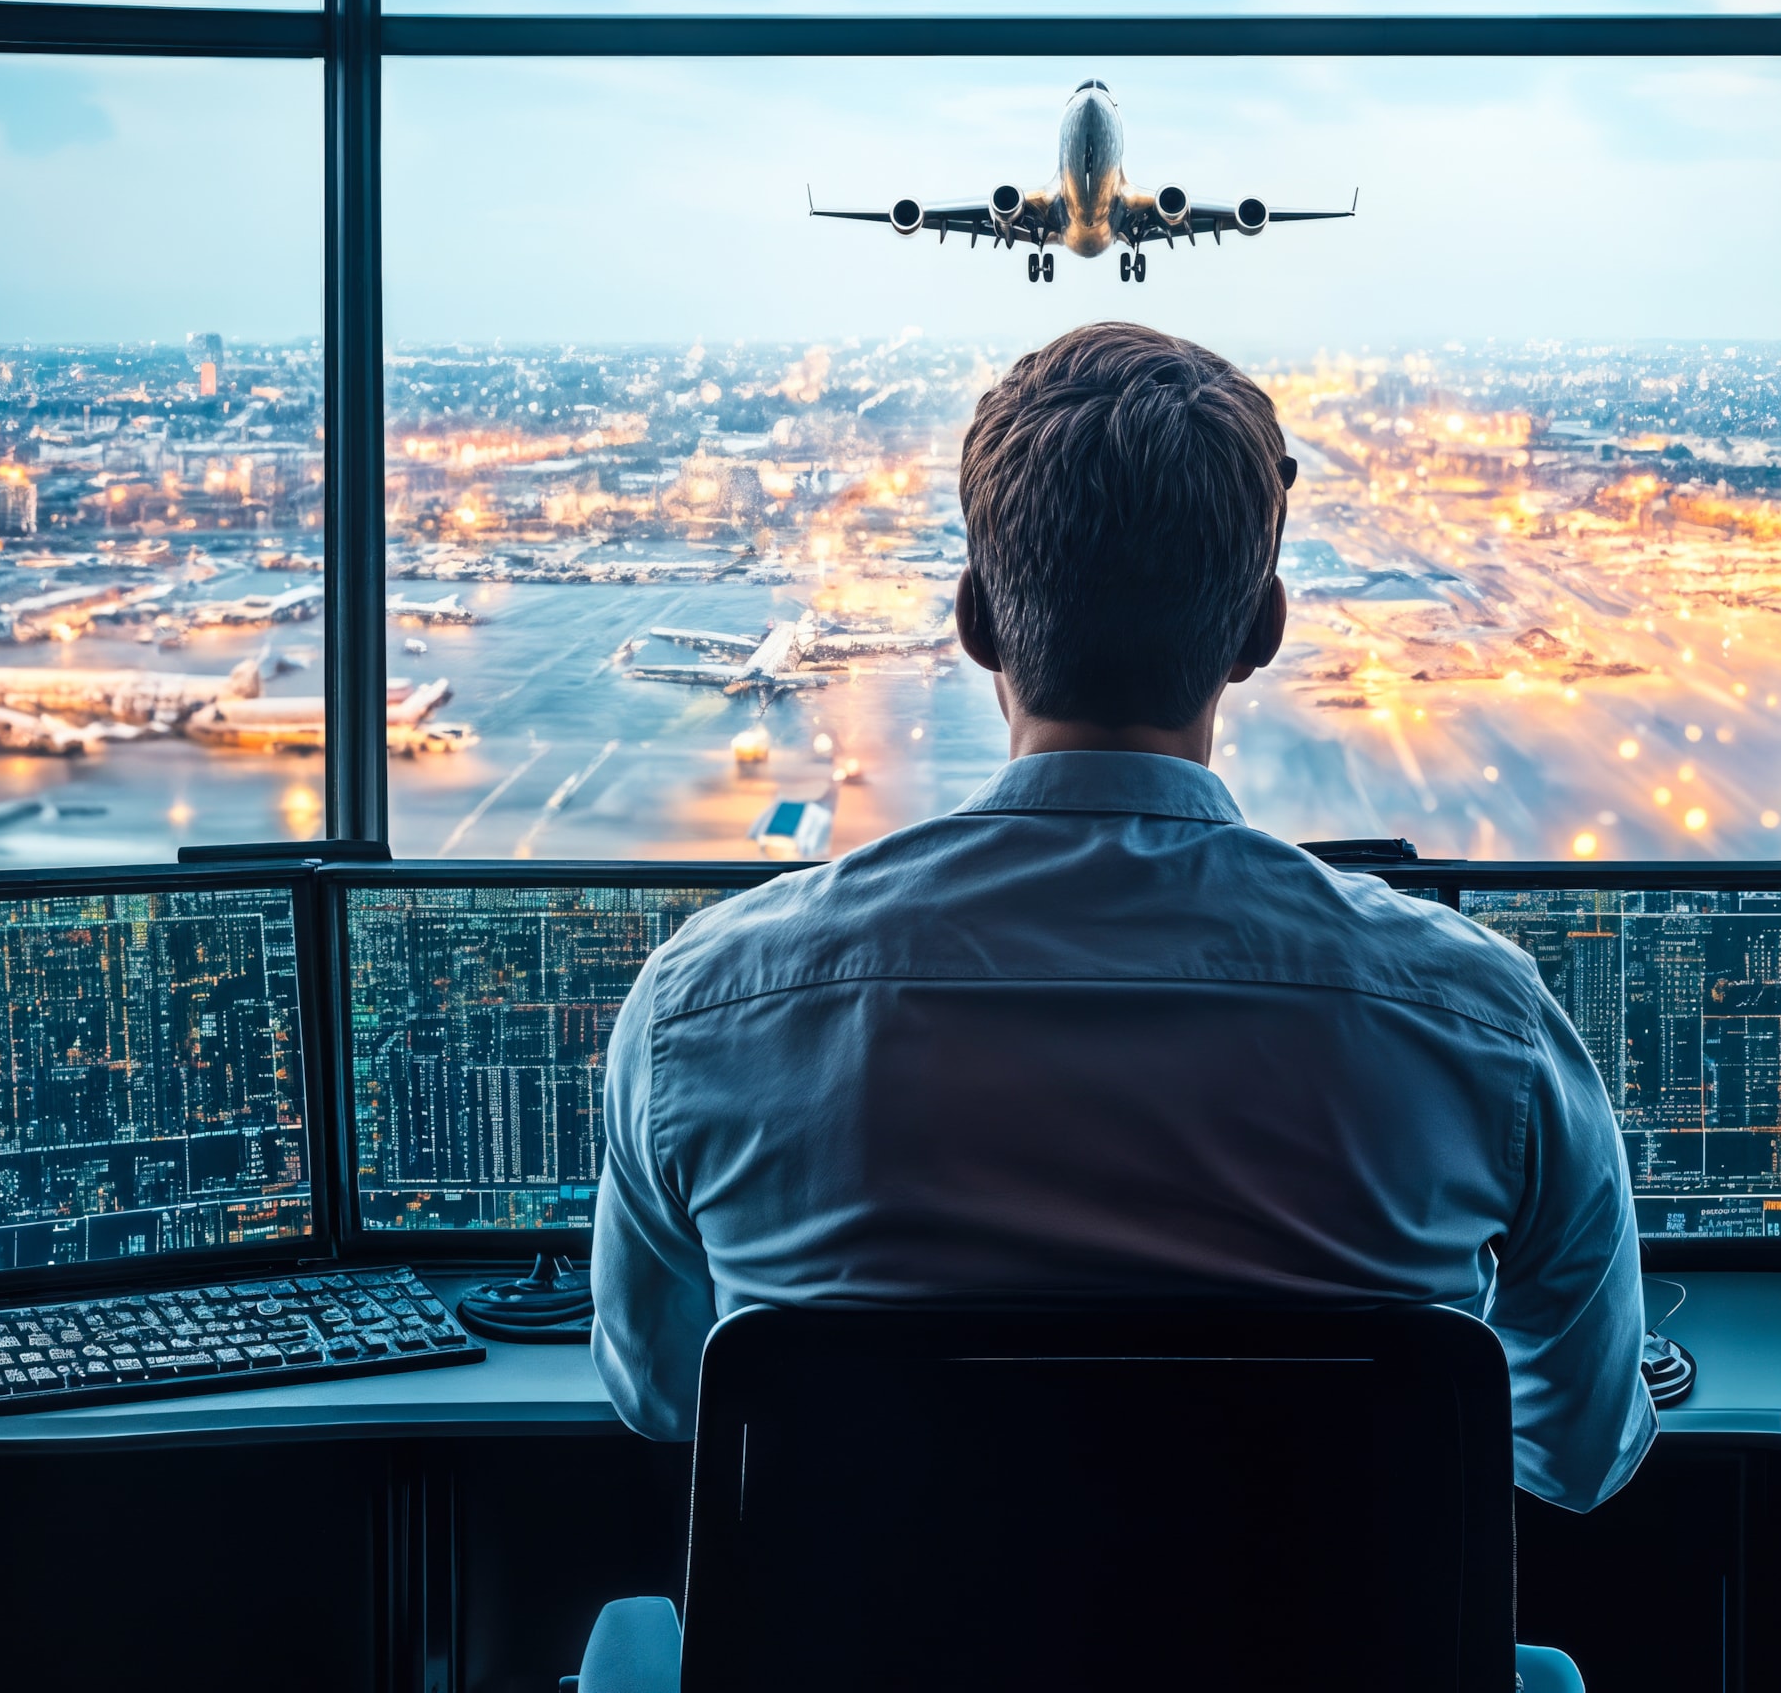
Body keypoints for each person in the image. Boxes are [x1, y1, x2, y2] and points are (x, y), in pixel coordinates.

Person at [591, 320, 1656, 1516]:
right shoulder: (1481, 1026)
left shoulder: (703, 1012)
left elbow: (665, 1401)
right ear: (1263, 630)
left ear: (976, 621)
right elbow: (1577, 1455)